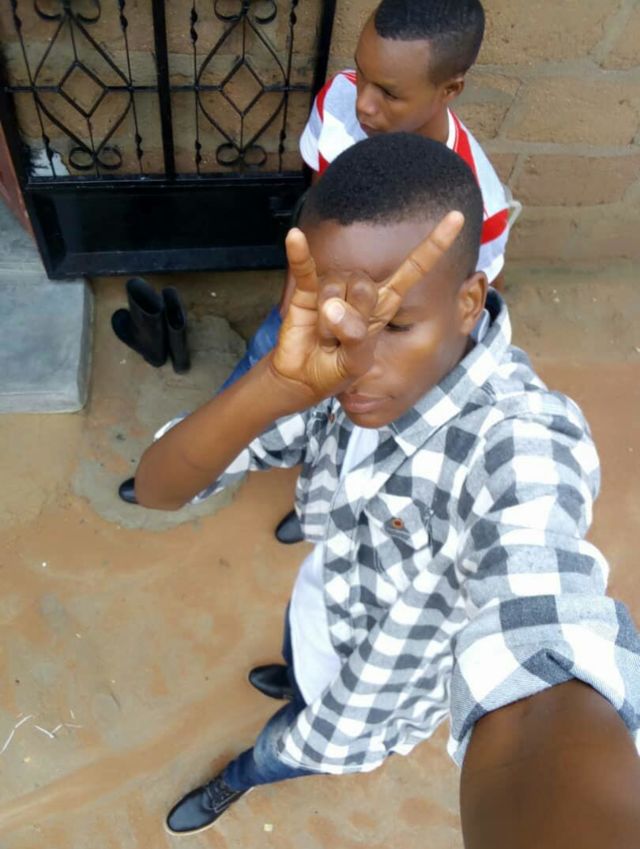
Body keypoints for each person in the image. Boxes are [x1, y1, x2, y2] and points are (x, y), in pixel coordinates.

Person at [134, 134, 640, 846]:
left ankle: (244, 774)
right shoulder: (326, 368)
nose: (358, 362)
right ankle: (297, 681)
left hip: (379, 694)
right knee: (300, 665)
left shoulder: (518, 443)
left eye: (397, 325)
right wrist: (271, 387)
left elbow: (540, 670)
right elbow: (157, 488)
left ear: (469, 302)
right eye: (335, 321)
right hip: (323, 601)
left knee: (291, 747)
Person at [117, 0, 516, 549]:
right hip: (312, 308)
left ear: (450, 89)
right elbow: (321, 201)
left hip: (391, 369)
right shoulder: (340, 102)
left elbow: (468, 310)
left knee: (357, 427)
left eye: (389, 92)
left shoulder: (479, 205)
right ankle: (221, 456)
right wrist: (296, 291)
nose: (365, 103)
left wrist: (397, 342)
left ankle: (321, 505)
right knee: (268, 366)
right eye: (362, 74)